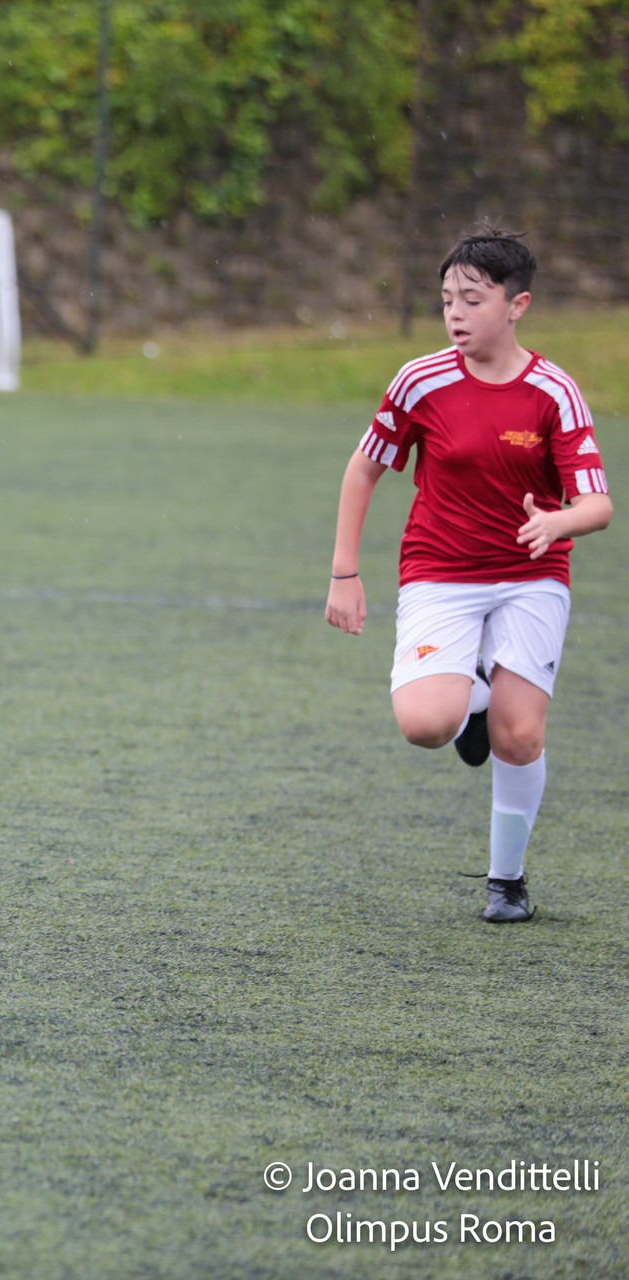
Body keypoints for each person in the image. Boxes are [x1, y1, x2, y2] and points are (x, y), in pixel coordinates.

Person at [326, 224, 611, 924]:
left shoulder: (553, 391)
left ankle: (506, 883)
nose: (455, 313)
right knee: (426, 724)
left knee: (520, 736)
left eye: (473, 300)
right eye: (447, 299)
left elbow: (598, 504)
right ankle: (473, 700)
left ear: (518, 305)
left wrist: (557, 524)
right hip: (440, 571)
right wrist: (344, 573)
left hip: (531, 576)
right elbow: (364, 469)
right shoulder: (420, 380)